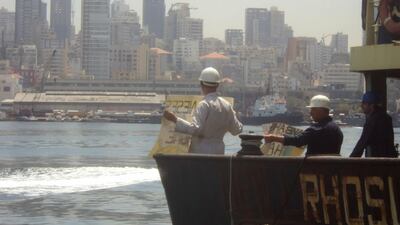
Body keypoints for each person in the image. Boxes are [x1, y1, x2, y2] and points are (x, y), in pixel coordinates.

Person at [163, 67, 243, 154]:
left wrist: (175, 119)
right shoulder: (227, 105)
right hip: (219, 154)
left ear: (201, 84)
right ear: (218, 85)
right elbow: (237, 130)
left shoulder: (204, 105)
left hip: (200, 154)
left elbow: (195, 129)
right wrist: (235, 116)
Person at [264, 95, 343, 156]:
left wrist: (273, 138)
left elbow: (298, 141)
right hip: (333, 170)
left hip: (315, 170)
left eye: (313, 110)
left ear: (320, 110)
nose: (310, 113)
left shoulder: (316, 129)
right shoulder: (337, 129)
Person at [350, 91, 398, 157]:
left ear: (372, 105)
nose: (361, 106)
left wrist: (350, 161)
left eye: (364, 103)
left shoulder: (372, 121)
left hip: (380, 161)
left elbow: (362, 143)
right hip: (391, 160)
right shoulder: (387, 117)